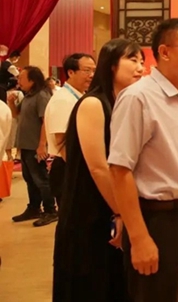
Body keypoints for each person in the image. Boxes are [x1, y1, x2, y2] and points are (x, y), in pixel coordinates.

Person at [108, 18, 178, 302]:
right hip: (159, 221)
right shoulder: (139, 98)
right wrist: (139, 238)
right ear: (164, 52)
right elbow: (119, 170)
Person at [53, 39, 145, 302]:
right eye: (132, 60)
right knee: (91, 283)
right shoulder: (93, 104)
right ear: (111, 65)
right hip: (90, 208)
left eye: (141, 61)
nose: (140, 67)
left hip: (115, 203)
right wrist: (122, 212)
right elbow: (98, 167)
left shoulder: (124, 103)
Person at [45, 52, 96, 207]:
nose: (92, 75)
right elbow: (61, 142)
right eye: (86, 70)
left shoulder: (79, 96)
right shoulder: (63, 99)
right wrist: (82, 173)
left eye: (94, 70)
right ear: (71, 72)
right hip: (69, 168)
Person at [8, 66, 57, 227]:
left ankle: (50, 210)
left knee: (41, 179)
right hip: (26, 145)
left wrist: (42, 145)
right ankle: (34, 208)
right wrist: (11, 103)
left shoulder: (42, 96)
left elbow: (46, 121)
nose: (18, 81)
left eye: (22, 78)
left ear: (32, 80)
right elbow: (16, 114)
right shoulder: (28, 96)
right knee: (30, 179)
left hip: (35, 145)